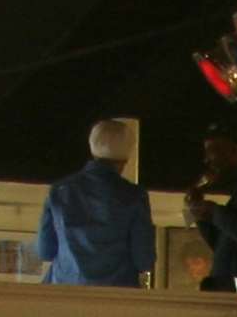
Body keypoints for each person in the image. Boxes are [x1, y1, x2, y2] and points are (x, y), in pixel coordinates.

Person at [34, 118, 156, 287]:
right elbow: (144, 259)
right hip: (117, 296)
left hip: (65, 292)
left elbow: (45, 251)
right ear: (126, 156)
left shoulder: (60, 191)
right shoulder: (135, 196)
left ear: (92, 147)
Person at [185, 128, 237, 292]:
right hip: (227, 289)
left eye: (213, 152)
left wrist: (215, 212)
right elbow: (223, 245)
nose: (207, 160)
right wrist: (202, 216)